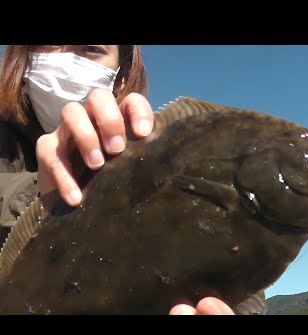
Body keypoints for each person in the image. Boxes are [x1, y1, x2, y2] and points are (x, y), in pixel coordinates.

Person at [0, 45, 235, 315]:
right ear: (23, 56)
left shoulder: (155, 159)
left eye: (91, 48)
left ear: (121, 75)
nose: (65, 59)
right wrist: (61, 198)